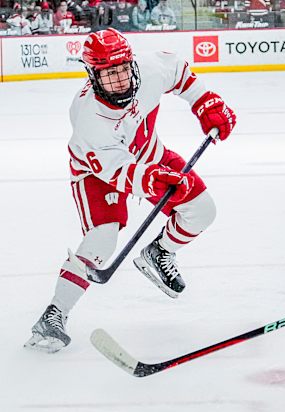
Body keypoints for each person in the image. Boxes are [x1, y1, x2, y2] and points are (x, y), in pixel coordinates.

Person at [24, 28, 236, 353]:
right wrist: (153, 179)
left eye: (123, 69)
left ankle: (159, 252)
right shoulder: (89, 119)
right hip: (98, 173)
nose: (120, 80)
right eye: (110, 74)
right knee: (103, 237)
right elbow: (117, 171)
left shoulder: (150, 70)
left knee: (203, 210)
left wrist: (205, 103)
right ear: (93, 75)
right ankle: (55, 314)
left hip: (149, 153)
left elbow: (179, 71)